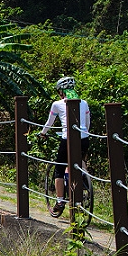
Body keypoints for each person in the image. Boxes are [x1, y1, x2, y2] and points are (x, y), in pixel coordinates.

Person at [38, 76, 90, 216]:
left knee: (59, 169)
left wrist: (43, 133)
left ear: (61, 91)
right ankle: (85, 181)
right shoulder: (84, 103)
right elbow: (87, 122)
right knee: (80, 160)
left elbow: (49, 123)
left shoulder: (57, 104)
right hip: (84, 137)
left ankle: (60, 201)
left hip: (67, 138)